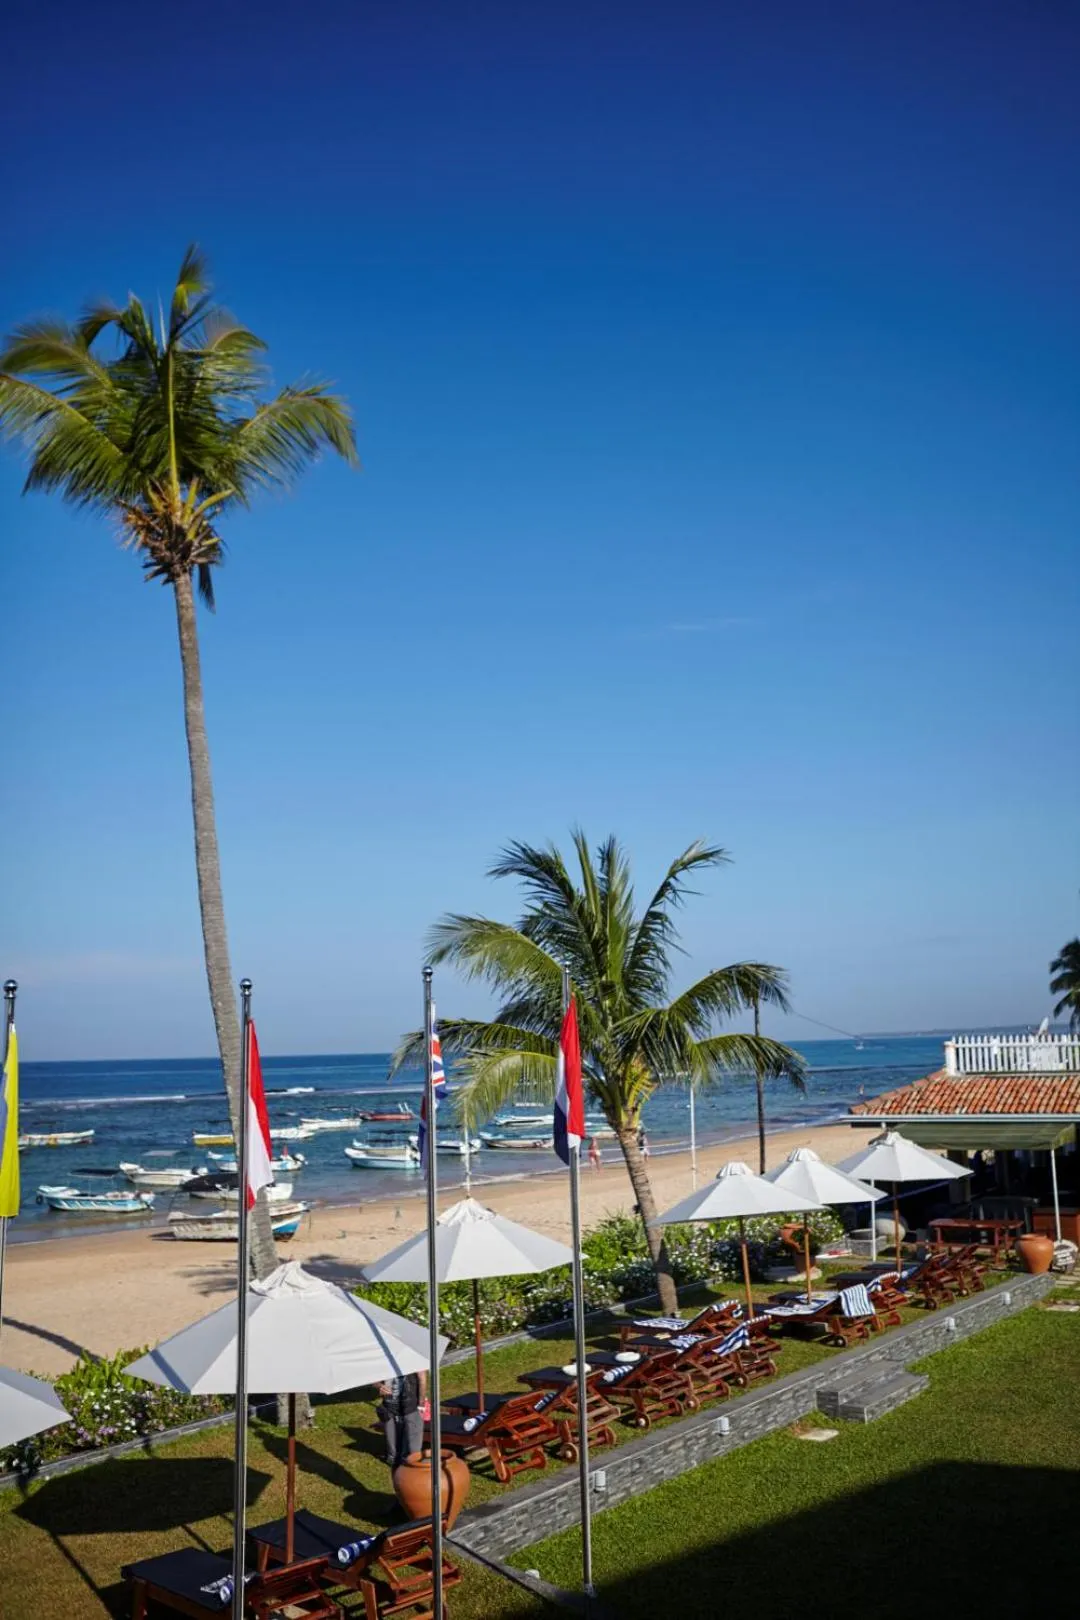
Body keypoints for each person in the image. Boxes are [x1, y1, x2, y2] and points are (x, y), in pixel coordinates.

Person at [376, 1370, 427, 1468]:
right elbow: (373, 1378)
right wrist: (379, 1386)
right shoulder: (382, 1358)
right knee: (392, 1439)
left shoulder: (412, 1357)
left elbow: (422, 1379)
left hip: (411, 1406)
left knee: (413, 1441)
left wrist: (421, 1405)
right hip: (389, 1407)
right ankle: (393, 1459)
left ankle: (413, 1463)